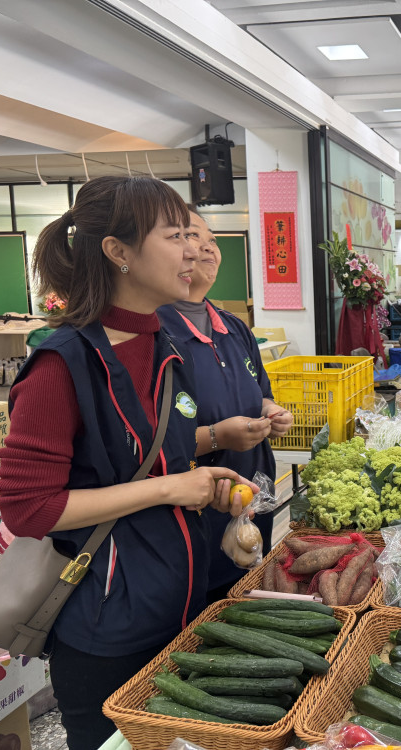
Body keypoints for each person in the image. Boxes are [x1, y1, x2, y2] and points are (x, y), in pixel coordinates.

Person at [0, 176, 258, 750]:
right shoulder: (61, 366)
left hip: (183, 610)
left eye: (193, 234)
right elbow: (27, 507)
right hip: (108, 631)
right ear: (118, 253)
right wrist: (168, 490)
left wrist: (208, 487)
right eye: (175, 235)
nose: (195, 250)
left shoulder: (164, 347)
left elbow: (157, 460)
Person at [158, 207, 294, 602]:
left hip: (252, 492)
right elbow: (149, 443)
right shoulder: (157, 334)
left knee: (248, 591)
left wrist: (271, 411)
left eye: (212, 240)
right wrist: (218, 436)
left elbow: (260, 392)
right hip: (193, 507)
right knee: (202, 606)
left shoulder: (233, 326)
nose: (207, 249)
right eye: (189, 237)